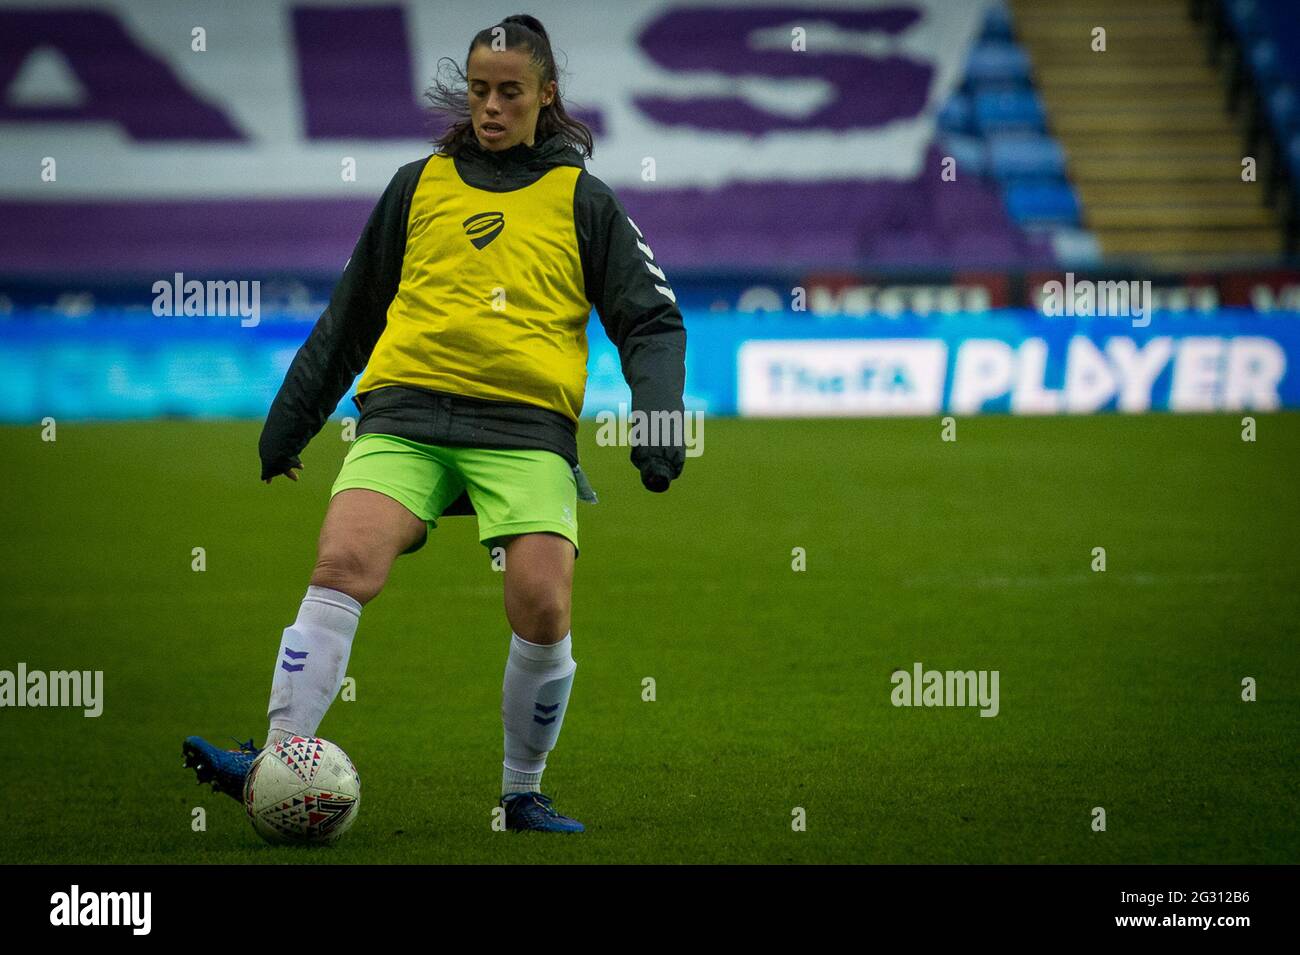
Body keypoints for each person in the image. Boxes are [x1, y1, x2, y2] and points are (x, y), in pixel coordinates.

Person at [182, 13, 686, 834]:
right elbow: (352, 316)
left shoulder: (584, 201)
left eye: (509, 92)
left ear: (545, 94)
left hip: (525, 429)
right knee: (344, 558)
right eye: (480, 90)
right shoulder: (419, 184)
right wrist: (290, 424)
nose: (491, 105)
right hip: (406, 415)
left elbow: (652, 321)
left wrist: (658, 418)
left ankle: (522, 793)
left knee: (543, 604)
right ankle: (278, 755)